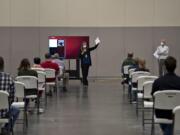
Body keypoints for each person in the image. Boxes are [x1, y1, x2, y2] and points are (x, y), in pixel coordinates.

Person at [151, 56, 180, 135]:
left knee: (167, 126)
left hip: (161, 113)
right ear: (175, 66)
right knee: (170, 124)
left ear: (165, 67)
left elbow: (153, 96)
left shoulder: (157, 82)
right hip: (177, 113)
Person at [0, 56, 20, 134]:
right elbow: (12, 96)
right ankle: (6, 129)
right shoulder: (8, 77)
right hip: (5, 111)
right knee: (16, 110)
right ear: (3, 65)